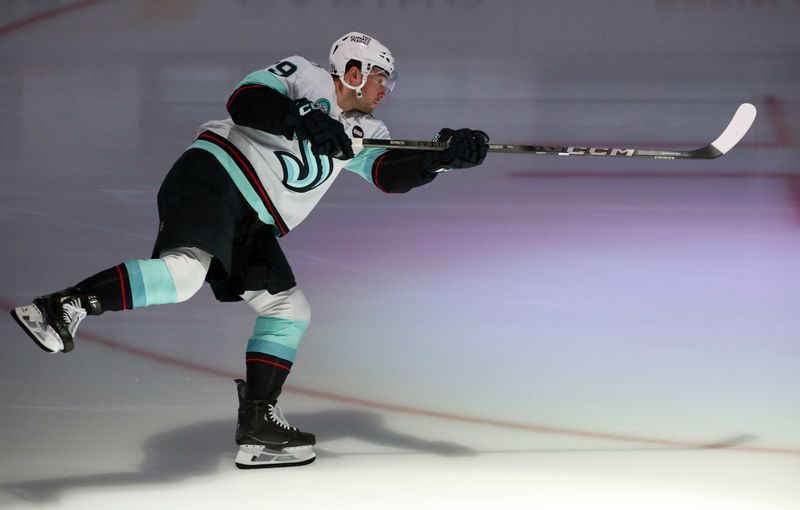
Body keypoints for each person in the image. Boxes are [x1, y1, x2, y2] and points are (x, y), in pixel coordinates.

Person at [10, 32, 489, 469]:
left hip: (253, 221)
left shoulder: (365, 131)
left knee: (288, 309)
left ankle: (259, 424)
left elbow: (389, 175)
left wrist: (442, 159)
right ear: (354, 72)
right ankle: (62, 306)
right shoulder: (306, 75)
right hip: (215, 176)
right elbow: (244, 101)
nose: (385, 90)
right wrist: (304, 119)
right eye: (380, 78)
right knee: (181, 278)